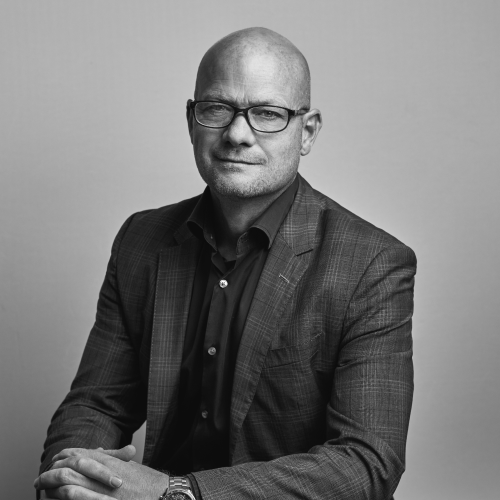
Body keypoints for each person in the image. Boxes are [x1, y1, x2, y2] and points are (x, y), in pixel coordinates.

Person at [34, 27, 416, 500]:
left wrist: (176, 493)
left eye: (268, 114)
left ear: (307, 132)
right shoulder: (141, 240)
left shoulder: (372, 264)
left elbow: (367, 462)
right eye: (217, 108)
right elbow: (97, 405)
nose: (237, 134)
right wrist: (73, 479)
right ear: (191, 120)